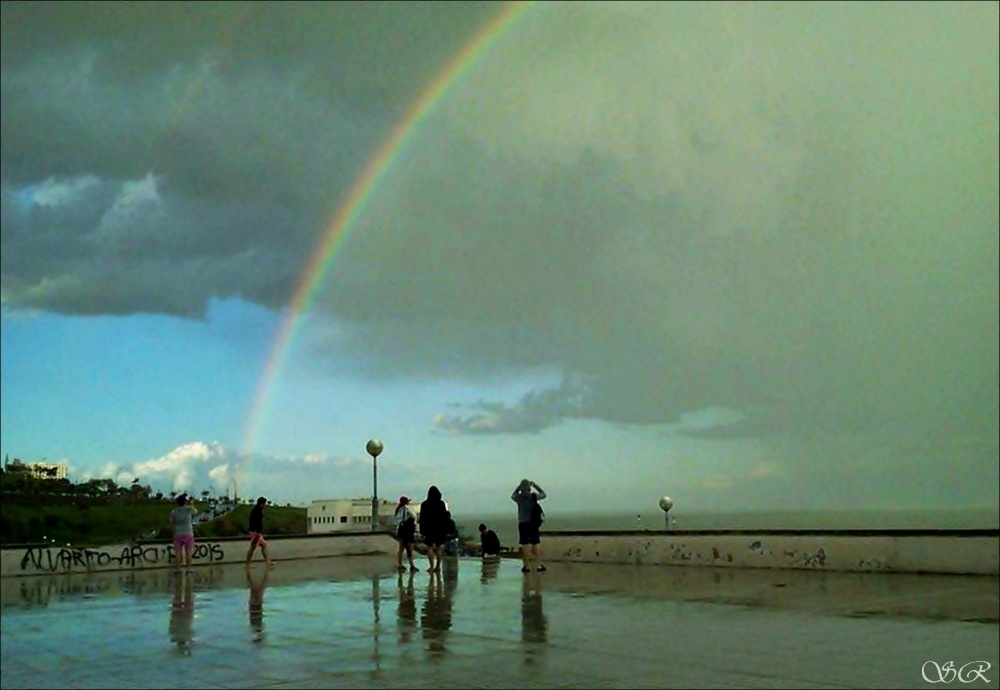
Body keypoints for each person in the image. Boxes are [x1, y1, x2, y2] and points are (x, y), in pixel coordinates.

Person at [511, 478, 546, 573]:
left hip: (522, 523)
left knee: (525, 544)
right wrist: (535, 485)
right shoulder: (533, 496)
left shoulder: (519, 498)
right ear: (529, 488)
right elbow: (544, 494)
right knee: (536, 543)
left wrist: (519, 487)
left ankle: (526, 566)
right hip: (533, 523)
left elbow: (512, 496)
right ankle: (539, 565)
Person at [418, 485, 448, 574]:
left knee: (429, 547)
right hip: (440, 528)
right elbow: (445, 517)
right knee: (439, 547)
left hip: (429, 528)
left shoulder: (424, 504)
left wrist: (422, 530)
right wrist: (445, 529)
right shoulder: (441, 504)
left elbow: (422, 518)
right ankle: (438, 566)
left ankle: (431, 566)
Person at [169, 493, 198, 571]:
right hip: (188, 533)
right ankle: (188, 569)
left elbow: (171, 522)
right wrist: (192, 504)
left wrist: (173, 533)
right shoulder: (188, 509)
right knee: (188, 553)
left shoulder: (174, 511)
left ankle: (178, 569)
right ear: (185, 502)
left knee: (178, 553)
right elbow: (196, 512)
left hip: (178, 534)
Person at [245, 496, 272, 568]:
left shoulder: (257, 510)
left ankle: (268, 562)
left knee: (263, 545)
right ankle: (247, 564)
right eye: (265, 503)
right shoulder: (257, 511)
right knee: (253, 547)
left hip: (255, 532)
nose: (266, 505)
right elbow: (257, 523)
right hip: (255, 532)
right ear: (262, 504)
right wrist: (258, 532)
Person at [393, 495, 419, 572]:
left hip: (401, 530)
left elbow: (397, 521)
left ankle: (400, 565)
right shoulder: (406, 509)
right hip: (407, 531)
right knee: (409, 548)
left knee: (401, 548)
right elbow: (414, 517)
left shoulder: (398, 509)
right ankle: (412, 565)